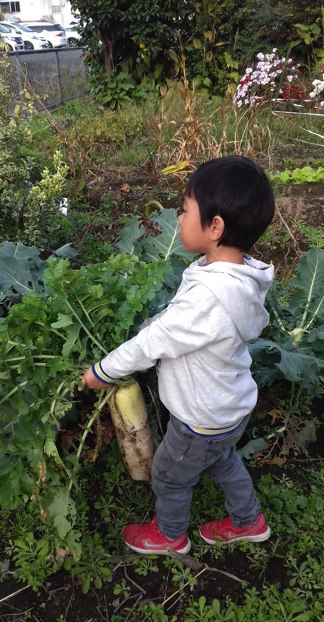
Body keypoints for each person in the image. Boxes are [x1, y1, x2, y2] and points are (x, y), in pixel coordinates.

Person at [79, 155, 275, 555]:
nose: (178, 219)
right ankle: (248, 520)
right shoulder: (235, 274)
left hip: (199, 422)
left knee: (169, 475)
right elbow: (176, 323)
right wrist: (156, 322)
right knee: (223, 461)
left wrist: (103, 370)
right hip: (229, 408)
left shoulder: (209, 298)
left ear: (215, 227)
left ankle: (170, 535)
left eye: (184, 212)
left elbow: (150, 347)